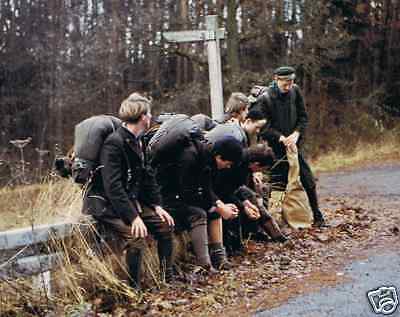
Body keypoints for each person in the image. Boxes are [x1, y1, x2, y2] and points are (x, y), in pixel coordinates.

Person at [83, 93, 175, 289]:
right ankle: (135, 289)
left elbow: (147, 176)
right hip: (105, 204)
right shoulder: (114, 143)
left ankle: (167, 279)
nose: (151, 117)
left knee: (165, 225)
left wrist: (157, 205)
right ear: (143, 117)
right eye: (149, 114)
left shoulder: (139, 140)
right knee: (136, 238)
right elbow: (113, 187)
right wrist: (134, 218)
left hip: (127, 201)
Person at [154, 135, 244, 271]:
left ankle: (219, 258)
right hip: (166, 198)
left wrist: (220, 205)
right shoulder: (189, 157)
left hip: (181, 196)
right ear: (219, 157)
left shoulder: (205, 157)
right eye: (228, 164)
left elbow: (207, 189)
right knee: (199, 214)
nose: (227, 167)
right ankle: (205, 265)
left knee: (214, 213)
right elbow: (187, 192)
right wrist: (217, 207)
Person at [251, 66, 326, 226]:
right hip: (274, 149)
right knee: (277, 185)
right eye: (285, 83)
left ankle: (317, 216)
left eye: (291, 82)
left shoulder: (295, 91)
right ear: (276, 79)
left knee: (308, 180)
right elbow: (263, 128)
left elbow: (303, 117)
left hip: (294, 147)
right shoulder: (266, 98)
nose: (289, 86)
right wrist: (281, 138)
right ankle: (274, 221)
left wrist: (297, 133)